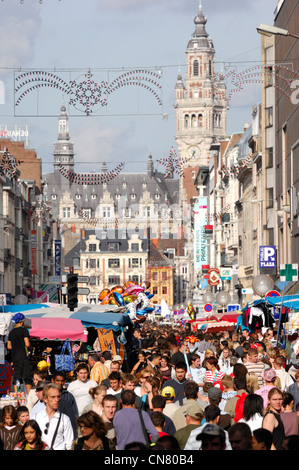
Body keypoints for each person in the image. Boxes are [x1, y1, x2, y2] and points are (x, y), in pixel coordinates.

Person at [31, 383, 74, 450]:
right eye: (53, 397)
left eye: (58, 397)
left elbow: (69, 444)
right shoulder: (36, 417)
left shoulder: (64, 419)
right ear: (45, 399)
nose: (57, 400)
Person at [7, 312, 33, 395]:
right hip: (24, 357)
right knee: (27, 377)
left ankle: (17, 395)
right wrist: (30, 348)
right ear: (23, 320)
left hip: (15, 358)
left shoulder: (11, 332)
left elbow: (9, 346)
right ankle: (29, 396)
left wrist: (16, 346)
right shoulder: (24, 330)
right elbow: (27, 344)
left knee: (17, 377)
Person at [51, 371, 79, 438]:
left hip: (67, 429)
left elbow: (75, 414)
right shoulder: (48, 395)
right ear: (53, 380)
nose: (60, 383)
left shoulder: (68, 396)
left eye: (62, 381)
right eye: (58, 381)